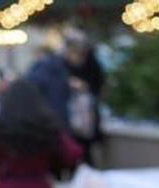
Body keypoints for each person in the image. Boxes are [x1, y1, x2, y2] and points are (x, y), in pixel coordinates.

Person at [27, 29, 104, 165]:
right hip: (57, 127)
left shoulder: (62, 68)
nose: (81, 59)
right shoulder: (51, 67)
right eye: (79, 54)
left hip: (65, 126)